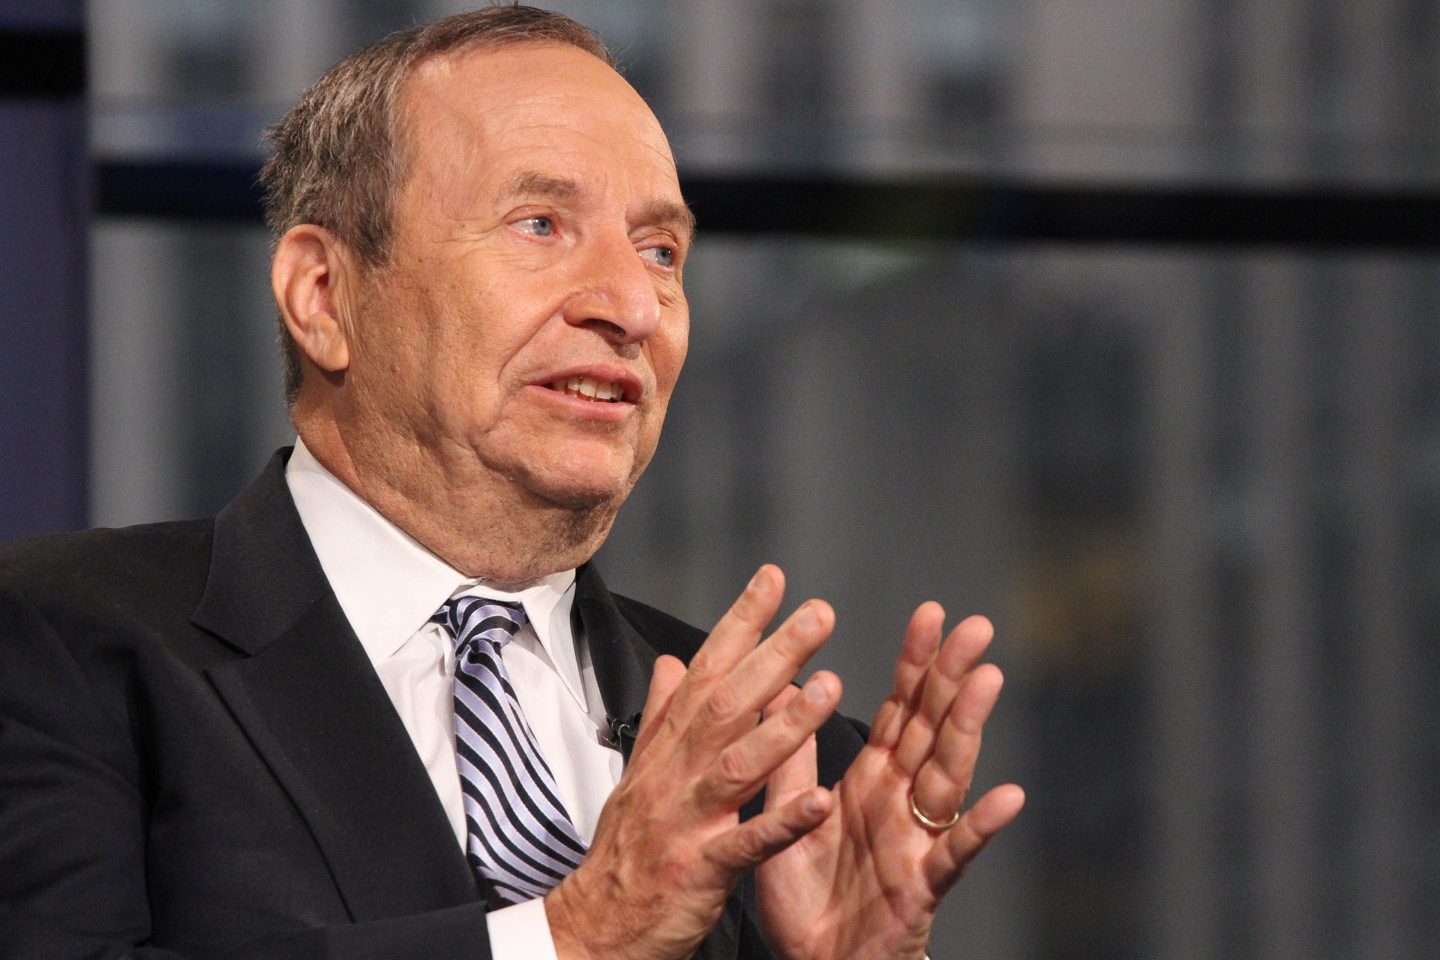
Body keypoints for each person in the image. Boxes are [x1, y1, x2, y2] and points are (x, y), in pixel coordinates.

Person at [0, 7, 1023, 960]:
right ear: (324, 294)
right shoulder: (53, 647)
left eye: (661, 250)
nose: (631, 303)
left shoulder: (783, 763)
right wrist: (572, 936)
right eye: (540, 224)